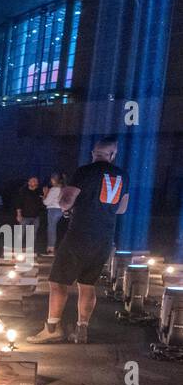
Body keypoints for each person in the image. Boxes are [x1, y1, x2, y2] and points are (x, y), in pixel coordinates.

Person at [27, 136, 128, 345]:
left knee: (58, 282)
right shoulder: (121, 175)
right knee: (87, 284)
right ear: (112, 154)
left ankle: (52, 329)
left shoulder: (85, 171)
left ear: (94, 153)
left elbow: (65, 202)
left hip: (80, 235)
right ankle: (82, 330)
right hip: (104, 238)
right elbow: (121, 208)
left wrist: (68, 202)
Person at [14, 176, 44, 258]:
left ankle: (29, 249)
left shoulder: (39, 191)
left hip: (35, 216)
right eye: (33, 181)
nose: (35, 182)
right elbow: (18, 203)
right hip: (25, 216)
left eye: (36, 181)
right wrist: (19, 214)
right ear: (29, 182)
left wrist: (45, 194)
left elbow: (42, 202)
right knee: (21, 233)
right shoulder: (23, 191)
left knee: (33, 234)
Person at [42, 172, 65, 255]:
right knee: (58, 229)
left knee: (51, 228)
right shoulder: (64, 188)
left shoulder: (54, 189)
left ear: (53, 180)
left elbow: (46, 202)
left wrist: (45, 194)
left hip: (53, 210)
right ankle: (57, 248)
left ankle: (51, 248)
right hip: (61, 210)